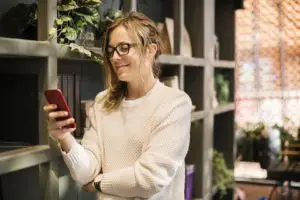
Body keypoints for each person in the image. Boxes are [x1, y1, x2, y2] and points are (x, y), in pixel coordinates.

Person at [43, 11, 192, 200]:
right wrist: (65, 137)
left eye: (124, 47)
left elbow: (149, 179)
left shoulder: (175, 104)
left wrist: (97, 184)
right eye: (112, 50)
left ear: (150, 50)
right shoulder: (102, 102)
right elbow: (85, 173)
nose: (115, 57)